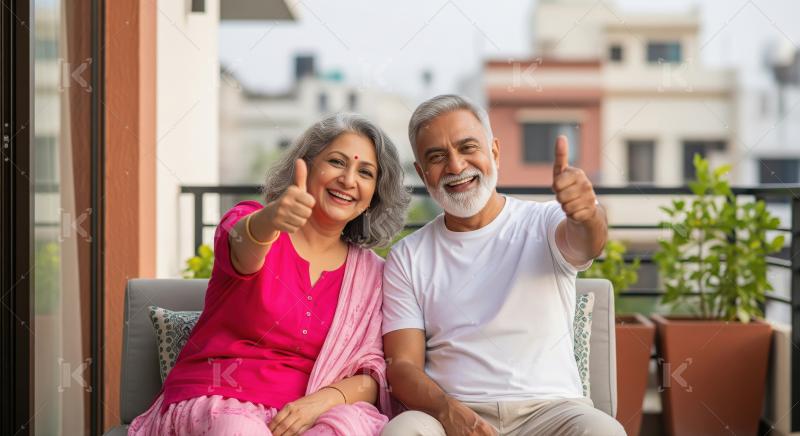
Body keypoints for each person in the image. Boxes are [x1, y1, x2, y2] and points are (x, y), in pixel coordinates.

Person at [129, 113, 410, 436]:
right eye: (336, 161)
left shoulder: (371, 275)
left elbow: (373, 372)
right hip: (221, 401)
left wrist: (320, 402)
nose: (348, 179)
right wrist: (273, 218)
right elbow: (244, 244)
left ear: (374, 194)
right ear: (305, 166)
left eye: (365, 172)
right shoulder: (253, 223)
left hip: (309, 414)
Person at [381, 95, 626, 436]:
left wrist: (587, 214)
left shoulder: (545, 221)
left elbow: (588, 241)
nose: (455, 166)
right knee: (403, 431)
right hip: (450, 414)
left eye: (468, 147)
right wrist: (447, 410)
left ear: (494, 152)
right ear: (423, 174)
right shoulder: (407, 256)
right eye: (437, 157)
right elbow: (402, 365)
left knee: (605, 432)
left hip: (551, 413)